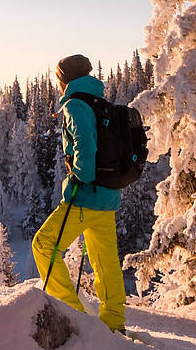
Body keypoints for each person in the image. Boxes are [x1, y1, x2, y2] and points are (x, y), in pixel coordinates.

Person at [31, 53, 126, 332]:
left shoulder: (74, 105)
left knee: (44, 245)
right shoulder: (100, 103)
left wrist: (80, 178)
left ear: (64, 79)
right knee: (105, 262)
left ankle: (71, 315)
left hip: (84, 196)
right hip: (108, 197)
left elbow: (85, 144)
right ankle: (114, 324)